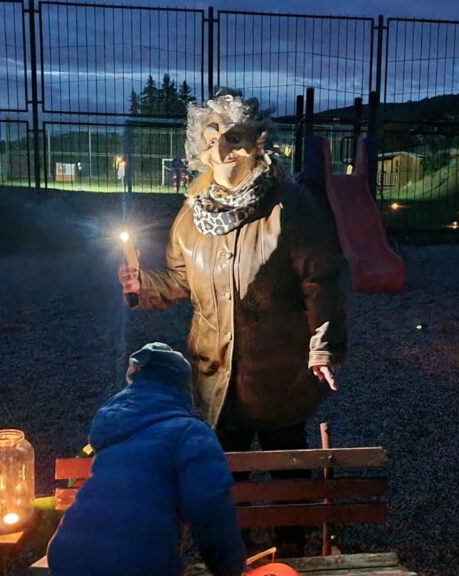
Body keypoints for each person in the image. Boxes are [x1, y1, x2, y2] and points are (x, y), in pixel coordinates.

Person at [117, 88, 347, 556]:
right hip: (214, 381)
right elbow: (179, 281)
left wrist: (323, 347)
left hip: (281, 378)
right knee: (223, 477)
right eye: (211, 140)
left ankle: (293, 553)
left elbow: (323, 279)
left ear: (259, 143)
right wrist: (143, 285)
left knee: (287, 473)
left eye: (234, 138)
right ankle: (234, 553)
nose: (221, 150)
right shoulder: (191, 217)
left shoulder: (290, 207)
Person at [47, 342, 245, 576]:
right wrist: (229, 569)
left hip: (67, 556)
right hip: (136, 566)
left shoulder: (116, 427)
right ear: (182, 387)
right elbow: (212, 510)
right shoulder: (190, 432)